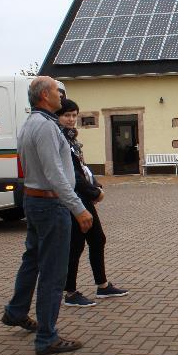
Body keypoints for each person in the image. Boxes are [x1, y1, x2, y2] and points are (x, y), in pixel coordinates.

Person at [1, 77, 93, 355]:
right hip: (50, 206)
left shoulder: (31, 124)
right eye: (56, 90)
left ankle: (16, 312)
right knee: (53, 272)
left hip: (35, 201)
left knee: (32, 261)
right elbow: (55, 175)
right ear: (44, 96)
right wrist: (78, 208)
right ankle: (47, 337)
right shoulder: (45, 128)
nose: (61, 95)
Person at [56, 98, 128, 307]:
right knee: (75, 245)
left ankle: (103, 286)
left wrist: (95, 186)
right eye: (66, 115)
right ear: (58, 117)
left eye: (74, 115)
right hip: (74, 199)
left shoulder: (71, 140)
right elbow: (70, 175)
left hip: (83, 197)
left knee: (97, 239)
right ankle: (70, 292)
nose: (71, 119)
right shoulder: (60, 140)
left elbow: (82, 169)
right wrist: (94, 192)